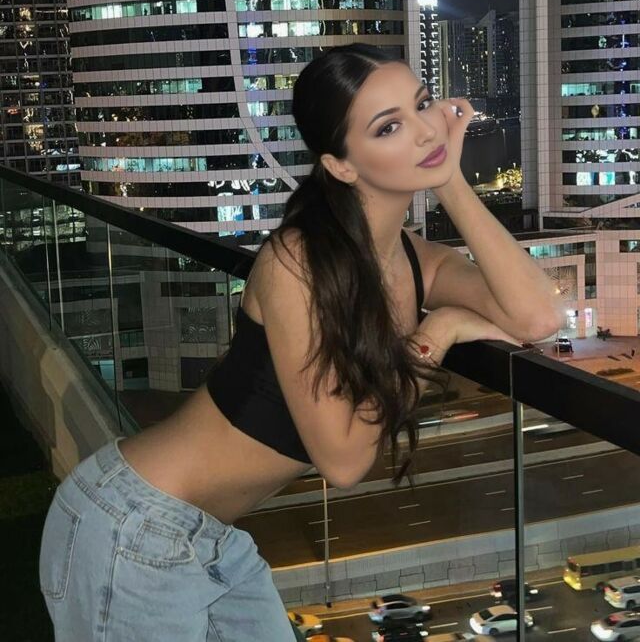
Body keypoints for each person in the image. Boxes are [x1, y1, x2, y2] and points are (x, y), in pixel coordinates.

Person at [39, 43, 563, 640]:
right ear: (342, 165)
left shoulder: (415, 259)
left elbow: (539, 316)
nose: (424, 130)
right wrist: (437, 331)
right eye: (389, 126)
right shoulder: (299, 261)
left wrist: (451, 183)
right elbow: (343, 461)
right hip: (132, 528)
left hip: (210, 536)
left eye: (422, 105)